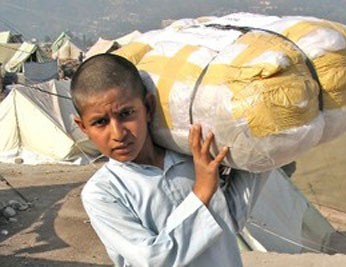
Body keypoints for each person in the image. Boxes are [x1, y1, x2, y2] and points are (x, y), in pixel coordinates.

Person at [71, 53, 270, 267]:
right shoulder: (103, 192)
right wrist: (201, 193)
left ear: (148, 108)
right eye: (100, 122)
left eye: (126, 114)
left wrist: (262, 145)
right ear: (83, 127)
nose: (118, 133)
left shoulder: (191, 157)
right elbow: (154, 260)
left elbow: (229, 221)